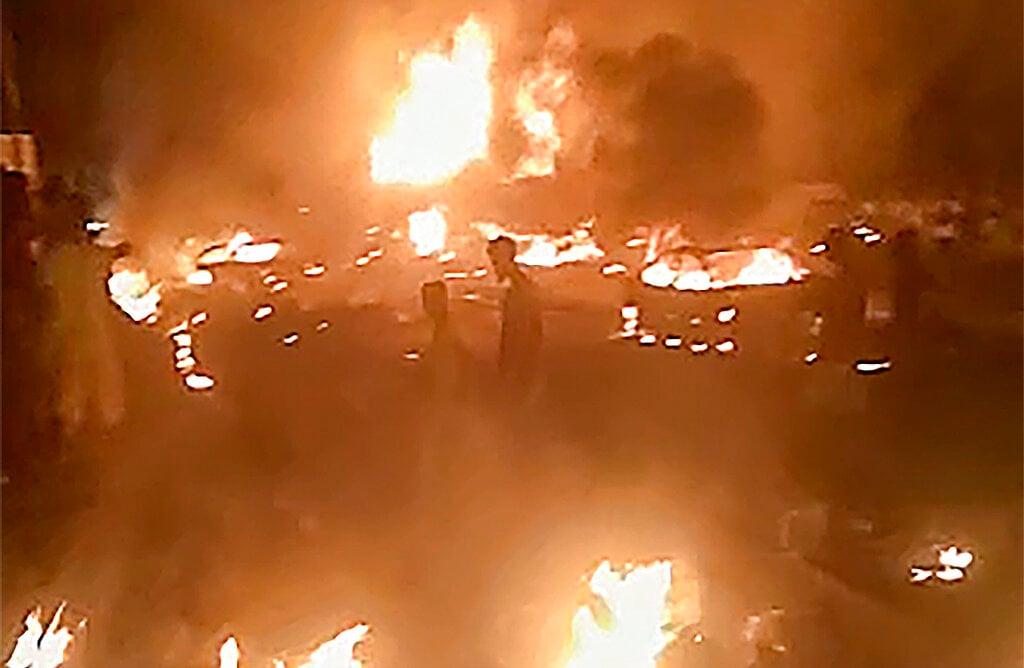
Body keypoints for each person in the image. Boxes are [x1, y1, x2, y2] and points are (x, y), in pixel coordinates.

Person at [485, 236, 543, 399]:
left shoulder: (519, 291)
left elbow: (521, 334)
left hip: (520, 374)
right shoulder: (519, 286)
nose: (493, 267)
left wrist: (510, 372)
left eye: (495, 262)